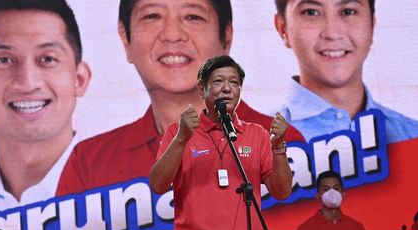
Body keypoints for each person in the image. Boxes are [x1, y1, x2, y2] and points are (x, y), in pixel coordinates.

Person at [56, 0, 303, 195]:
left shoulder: (281, 141)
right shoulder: (89, 164)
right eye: (152, 16)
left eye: (192, 16)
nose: (172, 35)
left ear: (226, 36)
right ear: (125, 37)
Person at [149, 55, 293, 230]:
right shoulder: (178, 132)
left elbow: (282, 193)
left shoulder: (256, 134)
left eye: (234, 82)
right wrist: (181, 139)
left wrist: (278, 146)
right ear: (202, 89)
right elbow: (157, 185)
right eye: (218, 81)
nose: (227, 88)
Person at [0, 0, 91, 212]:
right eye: (4, 60)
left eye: (47, 58)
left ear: (79, 79)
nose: (27, 83)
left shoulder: (142, 196)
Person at [273, 0, 418, 143]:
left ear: (372, 24)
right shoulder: (256, 145)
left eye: (348, 11)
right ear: (282, 28)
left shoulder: (414, 138)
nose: (332, 33)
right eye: (311, 12)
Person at [294, 170, 368, 230]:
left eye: (336, 189)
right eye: (326, 189)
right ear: (318, 196)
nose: (332, 193)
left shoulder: (356, 228)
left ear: (343, 195)